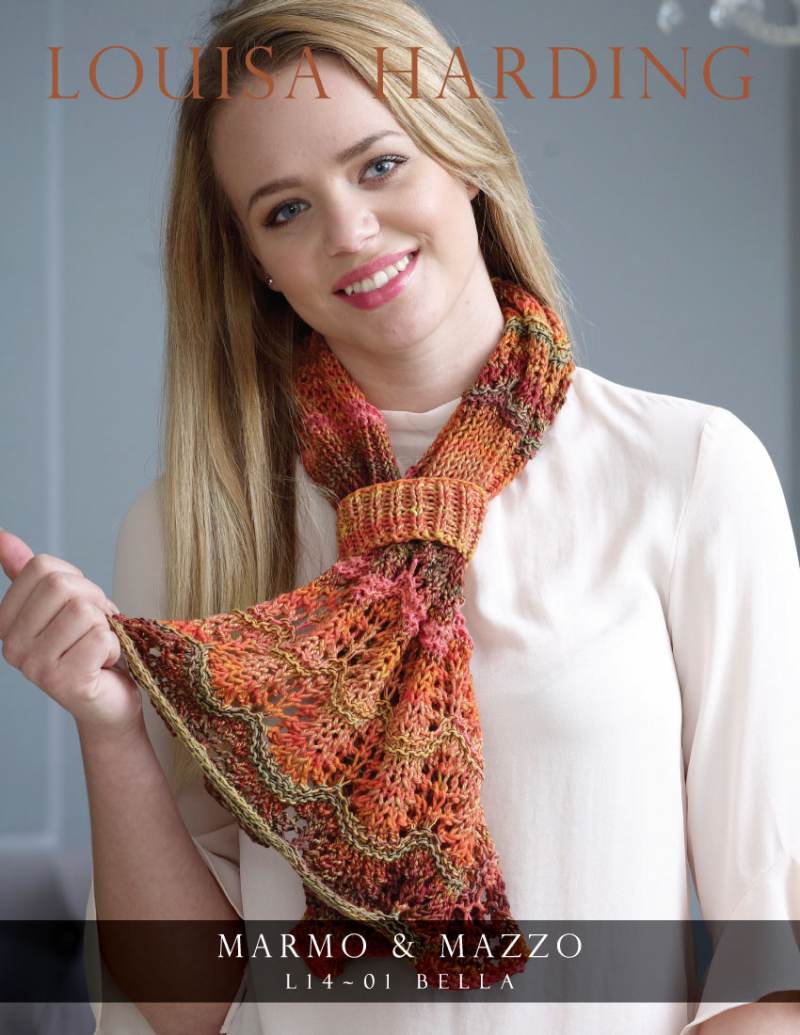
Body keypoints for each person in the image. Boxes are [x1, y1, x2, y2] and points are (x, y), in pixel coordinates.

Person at [0, 0, 798, 1032]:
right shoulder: (189, 528)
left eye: (379, 165)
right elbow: (188, 1008)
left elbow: (777, 976)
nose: (349, 231)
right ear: (255, 263)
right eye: (286, 210)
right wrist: (109, 729)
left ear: (463, 157)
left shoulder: (686, 474)